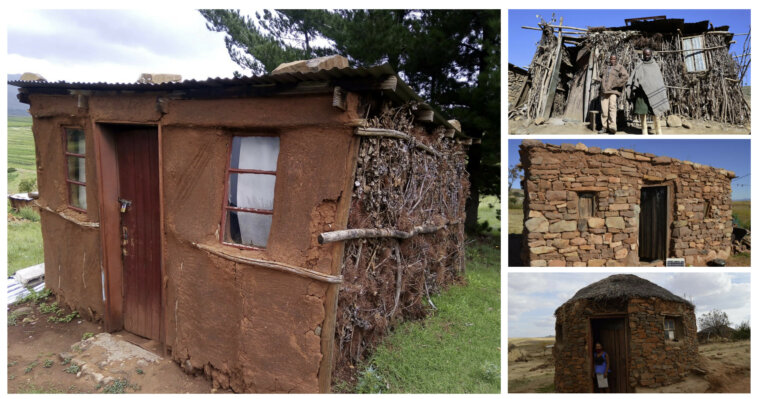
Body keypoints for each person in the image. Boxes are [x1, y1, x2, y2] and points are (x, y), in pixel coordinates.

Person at [628, 48, 670, 135]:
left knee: (655, 112)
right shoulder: (639, 66)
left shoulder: (655, 66)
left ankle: (658, 131)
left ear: (651, 54)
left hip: (653, 94)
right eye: (645, 54)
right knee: (643, 113)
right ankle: (644, 131)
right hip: (642, 94)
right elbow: (633, 78)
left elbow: (658, 80)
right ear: (643, 55)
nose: (647, 56)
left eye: (648, 54)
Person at [599, 55, 628, 134]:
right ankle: (604, 127)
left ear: (616, 60)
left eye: (614, 59)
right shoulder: (606, 68)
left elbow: (625, 77)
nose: (612, 60)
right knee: (604, 110)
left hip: (613, 91)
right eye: (611, 59)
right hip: (604, 91)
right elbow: (601, 76)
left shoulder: (620, 67)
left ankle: (612, 127)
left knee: (612, 108)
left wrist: (615, 84)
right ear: (609, 59)